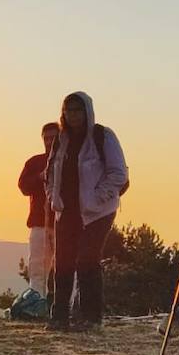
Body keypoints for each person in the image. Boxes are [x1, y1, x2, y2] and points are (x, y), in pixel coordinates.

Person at [45, 92, 128, 335]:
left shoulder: (104, 136)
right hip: (67, 210)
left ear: (88, 112)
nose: (73, 115)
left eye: (77, 110)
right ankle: (59, 316)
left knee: (87, 260)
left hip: (97, 212)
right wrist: (54, 198)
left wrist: (97, 198)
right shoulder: (62, 140)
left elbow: (118, 173)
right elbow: (50, 173)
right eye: (68, 110)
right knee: (63, 262)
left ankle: (91, 317)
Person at [18, 122, 59, 297]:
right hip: (39, 223)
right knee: (37, 268)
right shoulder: (34, 162)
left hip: (63, 223)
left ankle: (66, 308)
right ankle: (37, 305)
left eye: (53, 138)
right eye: (46, 138)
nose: (49, 142)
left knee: (66, 269)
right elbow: (23, 187)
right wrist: (40, 177)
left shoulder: (71, 160)